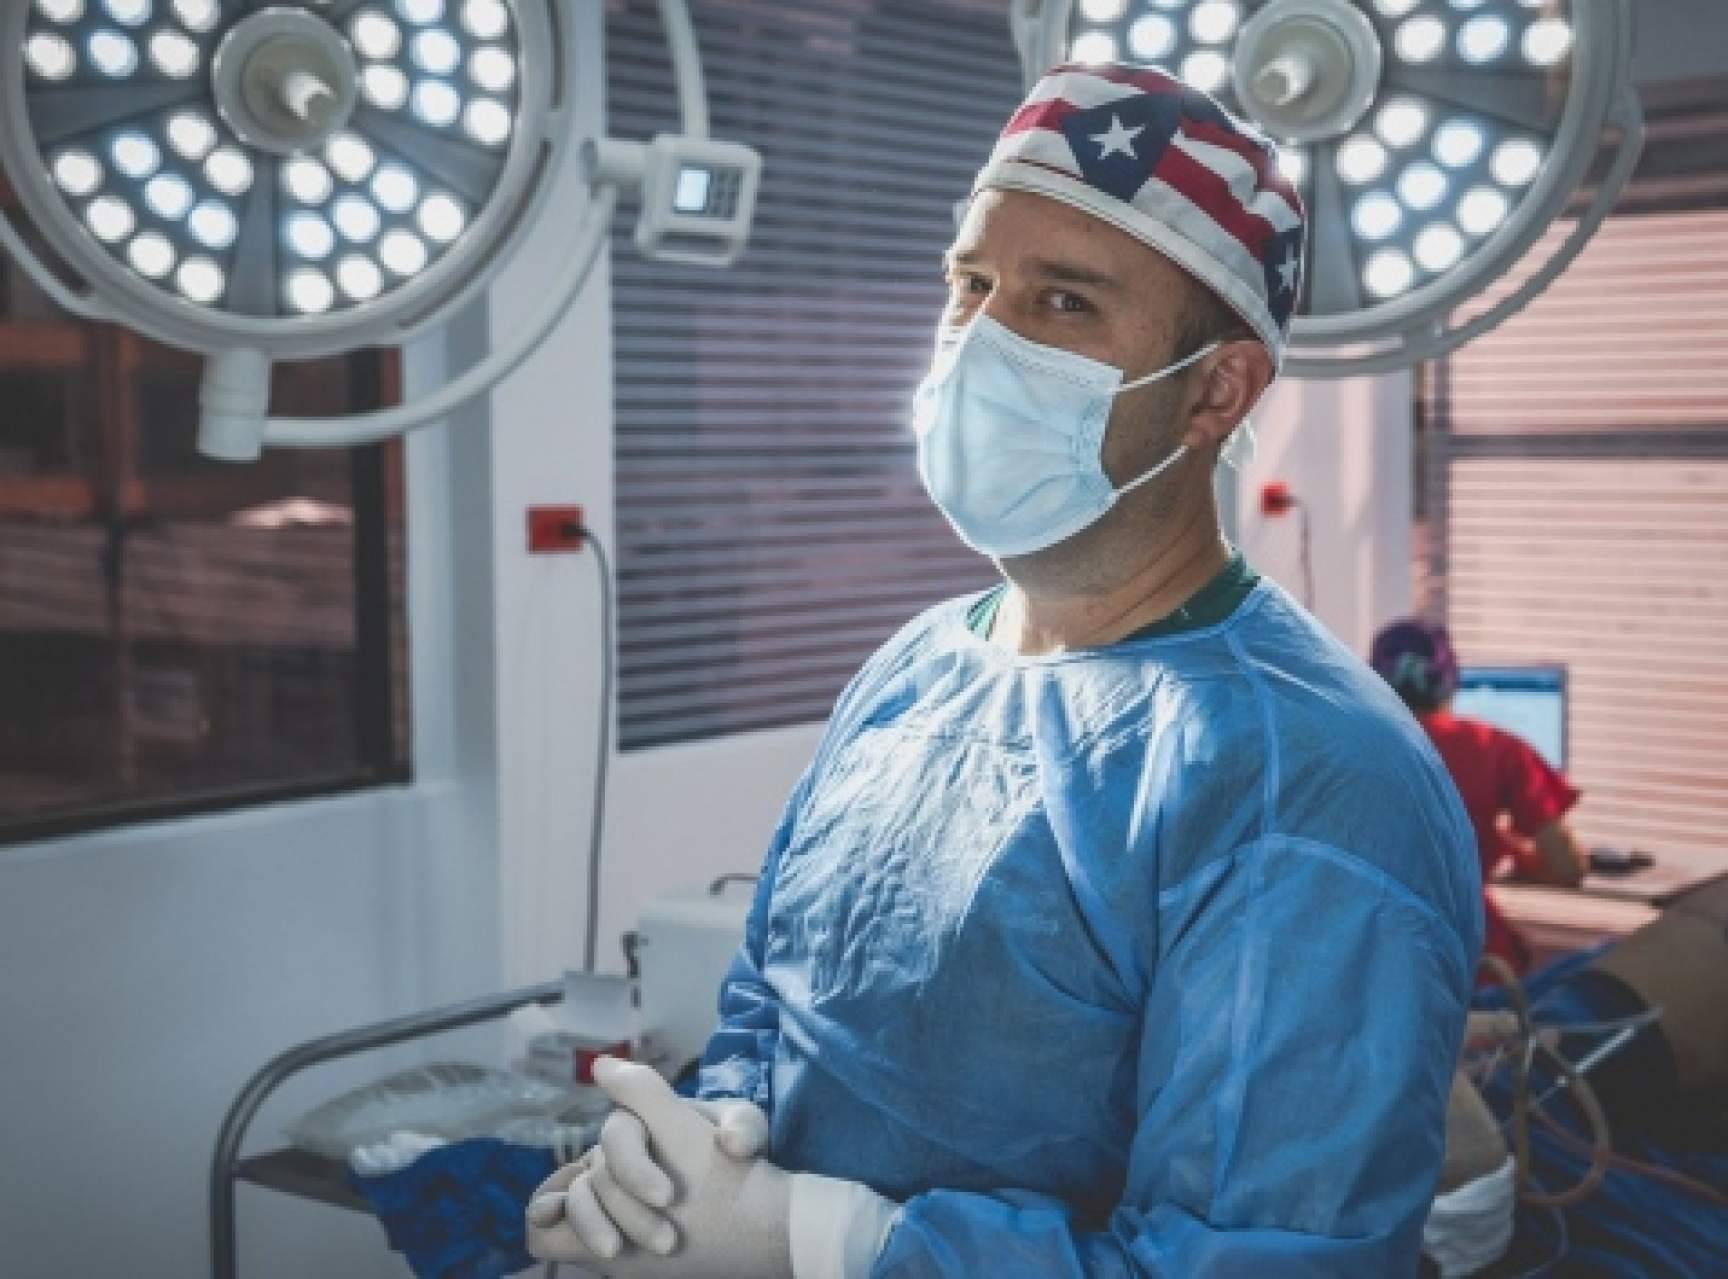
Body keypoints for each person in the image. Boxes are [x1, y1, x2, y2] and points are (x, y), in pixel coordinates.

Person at [527, 62, 1484, 1277]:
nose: (982, 341)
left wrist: (814, 1238)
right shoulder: (917, 669)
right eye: (970, 284)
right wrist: (675, 1174)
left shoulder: (1308, 782)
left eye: (1064, 302)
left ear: (1215, 390)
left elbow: (1257, 1258)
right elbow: (774, 1002)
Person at [1370, 618, 1590, 976]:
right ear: (1451, 681)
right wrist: (1503, 848)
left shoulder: (1343, 750)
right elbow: (1567, 867)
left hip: (1371, 967)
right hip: (1468, 967)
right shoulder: (1496, 749)